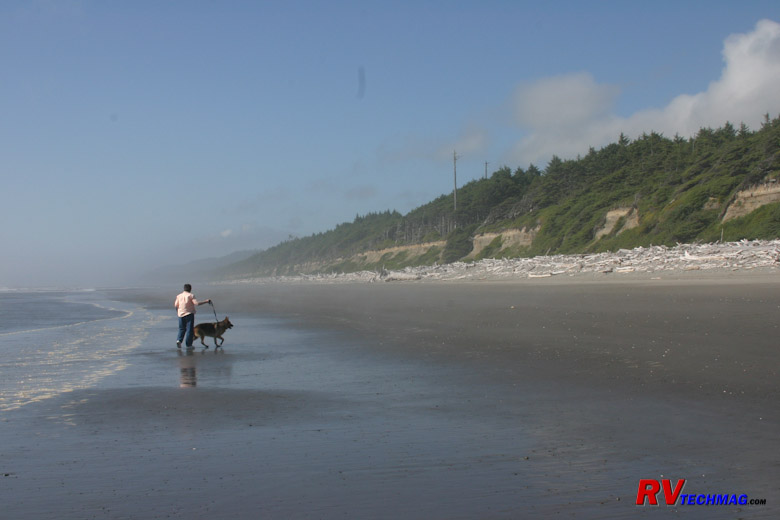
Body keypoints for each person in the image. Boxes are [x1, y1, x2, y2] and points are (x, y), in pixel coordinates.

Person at [174, 284, 211, 348]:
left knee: (182, 328)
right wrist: (206, 301)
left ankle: (179, 340)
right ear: (190, 289)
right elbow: (196, 303)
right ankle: (189, 344)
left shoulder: (179, 296)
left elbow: (176, 305)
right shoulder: (191, 295)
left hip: (180, 314)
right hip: (189, 314)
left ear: (184, 288)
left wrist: (178, 312)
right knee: (189, 330)